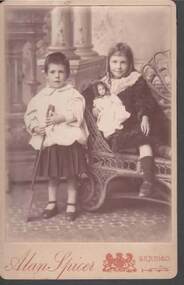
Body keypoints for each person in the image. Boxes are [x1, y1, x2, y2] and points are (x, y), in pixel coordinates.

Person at [84, 42, 170, 198]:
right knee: (136, 139)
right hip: (118, 127)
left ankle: (148, 180)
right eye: (114, 62)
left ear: (129, 63)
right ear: (108, 63)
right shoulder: (102, 83)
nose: (118, 67)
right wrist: (94, 109)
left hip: (137, 121)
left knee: (143, 139)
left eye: (123, 62)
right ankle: (160, 150)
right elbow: (87, 97)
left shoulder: (135, 79)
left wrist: (144, 115)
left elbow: (143, 100)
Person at [24, 52, 89, 221]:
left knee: (71, 174)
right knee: (53, 175)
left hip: (68, 140)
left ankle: (71, 204)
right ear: (46, 74)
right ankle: (51, 203)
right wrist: (35, 127)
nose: (57, 76)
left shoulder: (72, 94)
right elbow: (30, 115)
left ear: (67, 74)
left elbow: (77, 111)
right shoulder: (40, 97)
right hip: (51, 140)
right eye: (53, 72)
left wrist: (62, 117)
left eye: (61, 72)